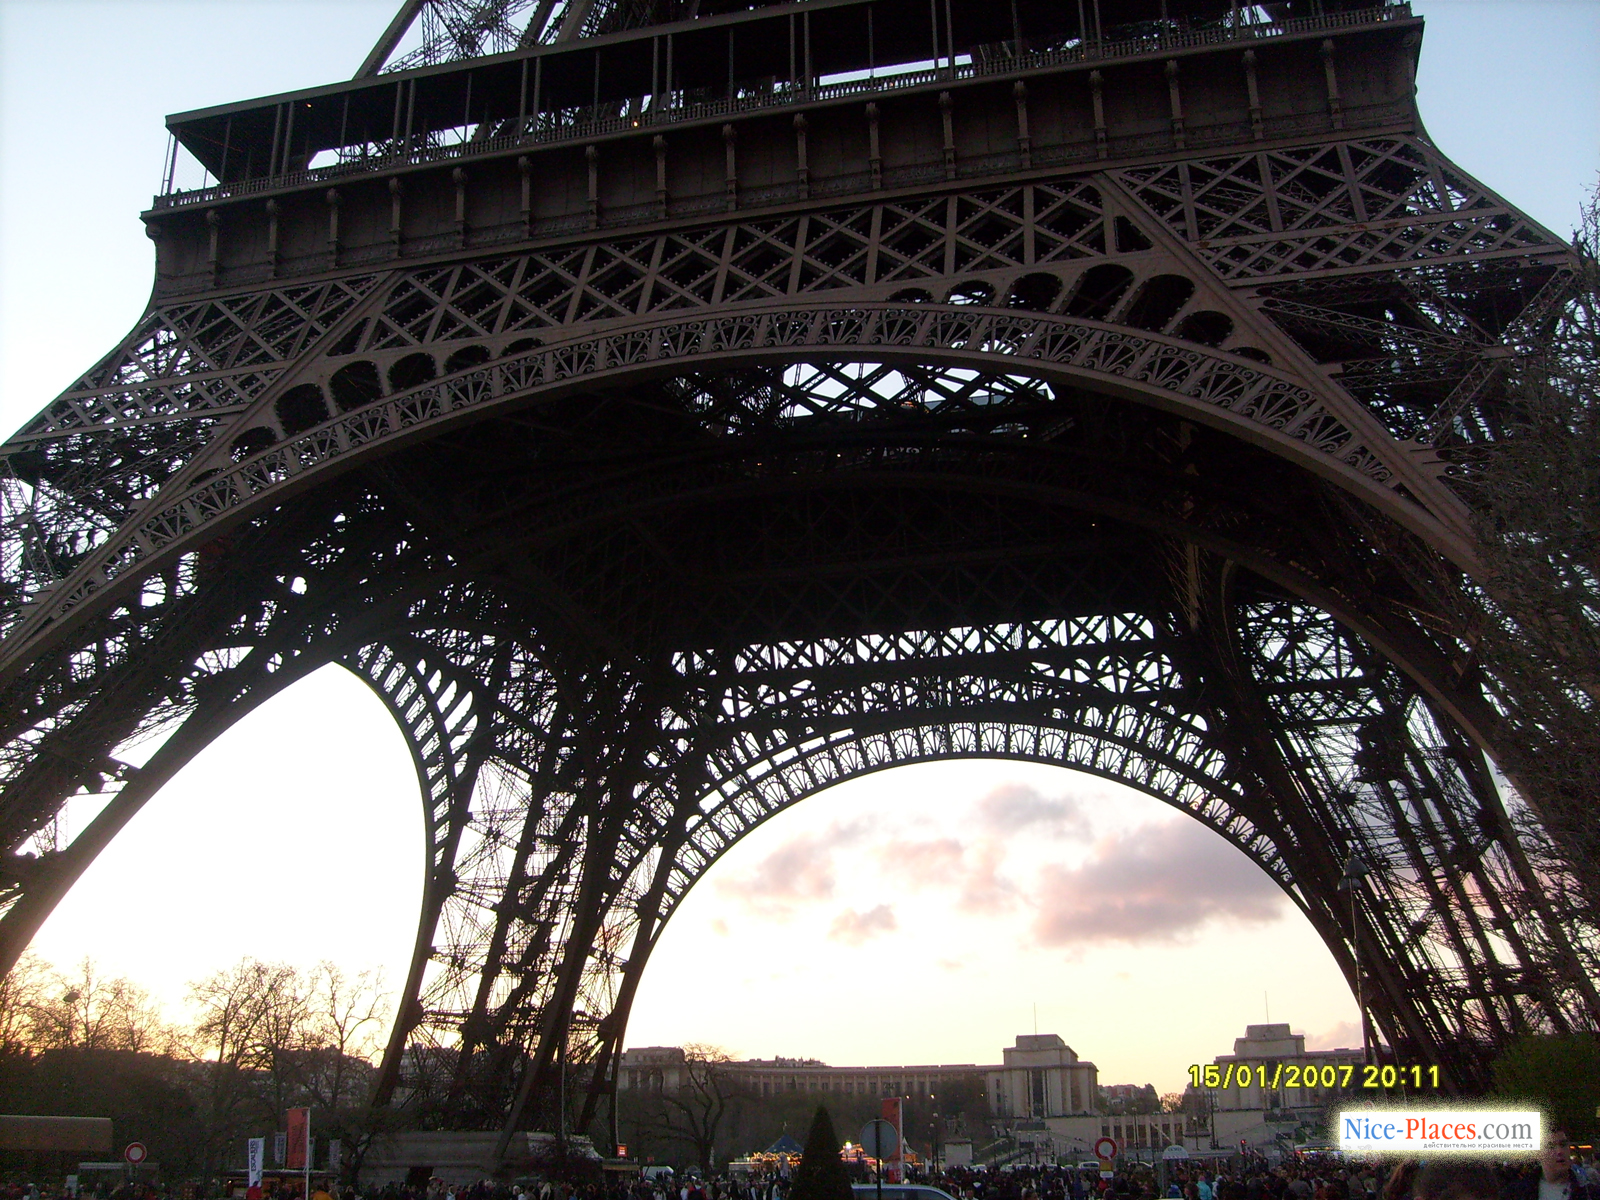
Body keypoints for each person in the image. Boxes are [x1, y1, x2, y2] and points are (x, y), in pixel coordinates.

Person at [1509, 1131, 1600, 1200]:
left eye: (1563, 1145)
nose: (1559, 1151)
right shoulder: (1515, 1193)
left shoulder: (1590, 1193)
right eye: (1550, 1146)